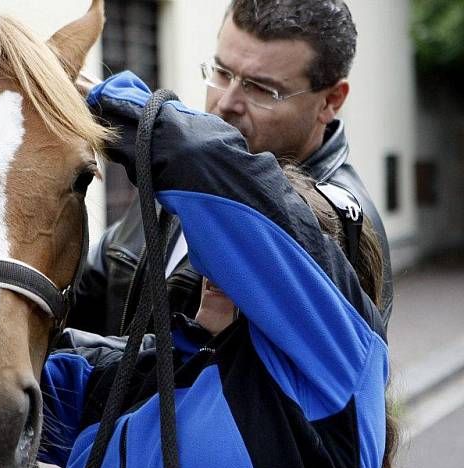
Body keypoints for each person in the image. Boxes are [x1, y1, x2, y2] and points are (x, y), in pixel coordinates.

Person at [39, 73, 416, 468]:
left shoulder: (331, 372)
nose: (213, 267)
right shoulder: (120, 384)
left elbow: (207, 166)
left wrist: (108, 104)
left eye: (245, 262)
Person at [68, 0, 394, 337]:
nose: (225, 104)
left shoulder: (341, 226)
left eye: (261, 89)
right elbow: (92, 290)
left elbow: (234, 382)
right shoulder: (186, 172)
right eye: (222, 73)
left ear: (331, 101)